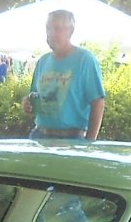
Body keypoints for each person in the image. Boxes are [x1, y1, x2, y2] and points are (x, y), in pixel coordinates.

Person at [22, 10, 105, 140]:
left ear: (70, 31)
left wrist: (89, 144)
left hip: (71, 139)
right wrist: (27, 103)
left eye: (57, 29)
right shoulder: (43, 61)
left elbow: (98, 102)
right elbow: (35, 96)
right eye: (48, 28)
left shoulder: (84, 59)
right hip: (39, 136)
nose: (51, 33)